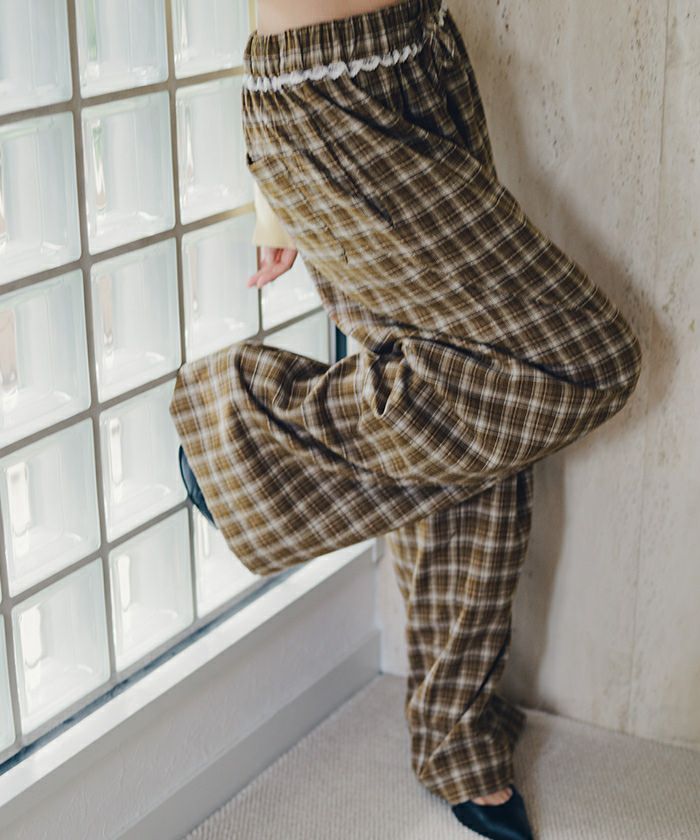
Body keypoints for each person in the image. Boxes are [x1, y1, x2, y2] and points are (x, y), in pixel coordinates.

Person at [172, 1, 643, 837]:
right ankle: (247, 443)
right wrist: (284, 170)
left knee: (481, 420)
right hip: (334, 91)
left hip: (423, 54)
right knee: (584, 362)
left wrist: (278, 203)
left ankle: (456, 732)